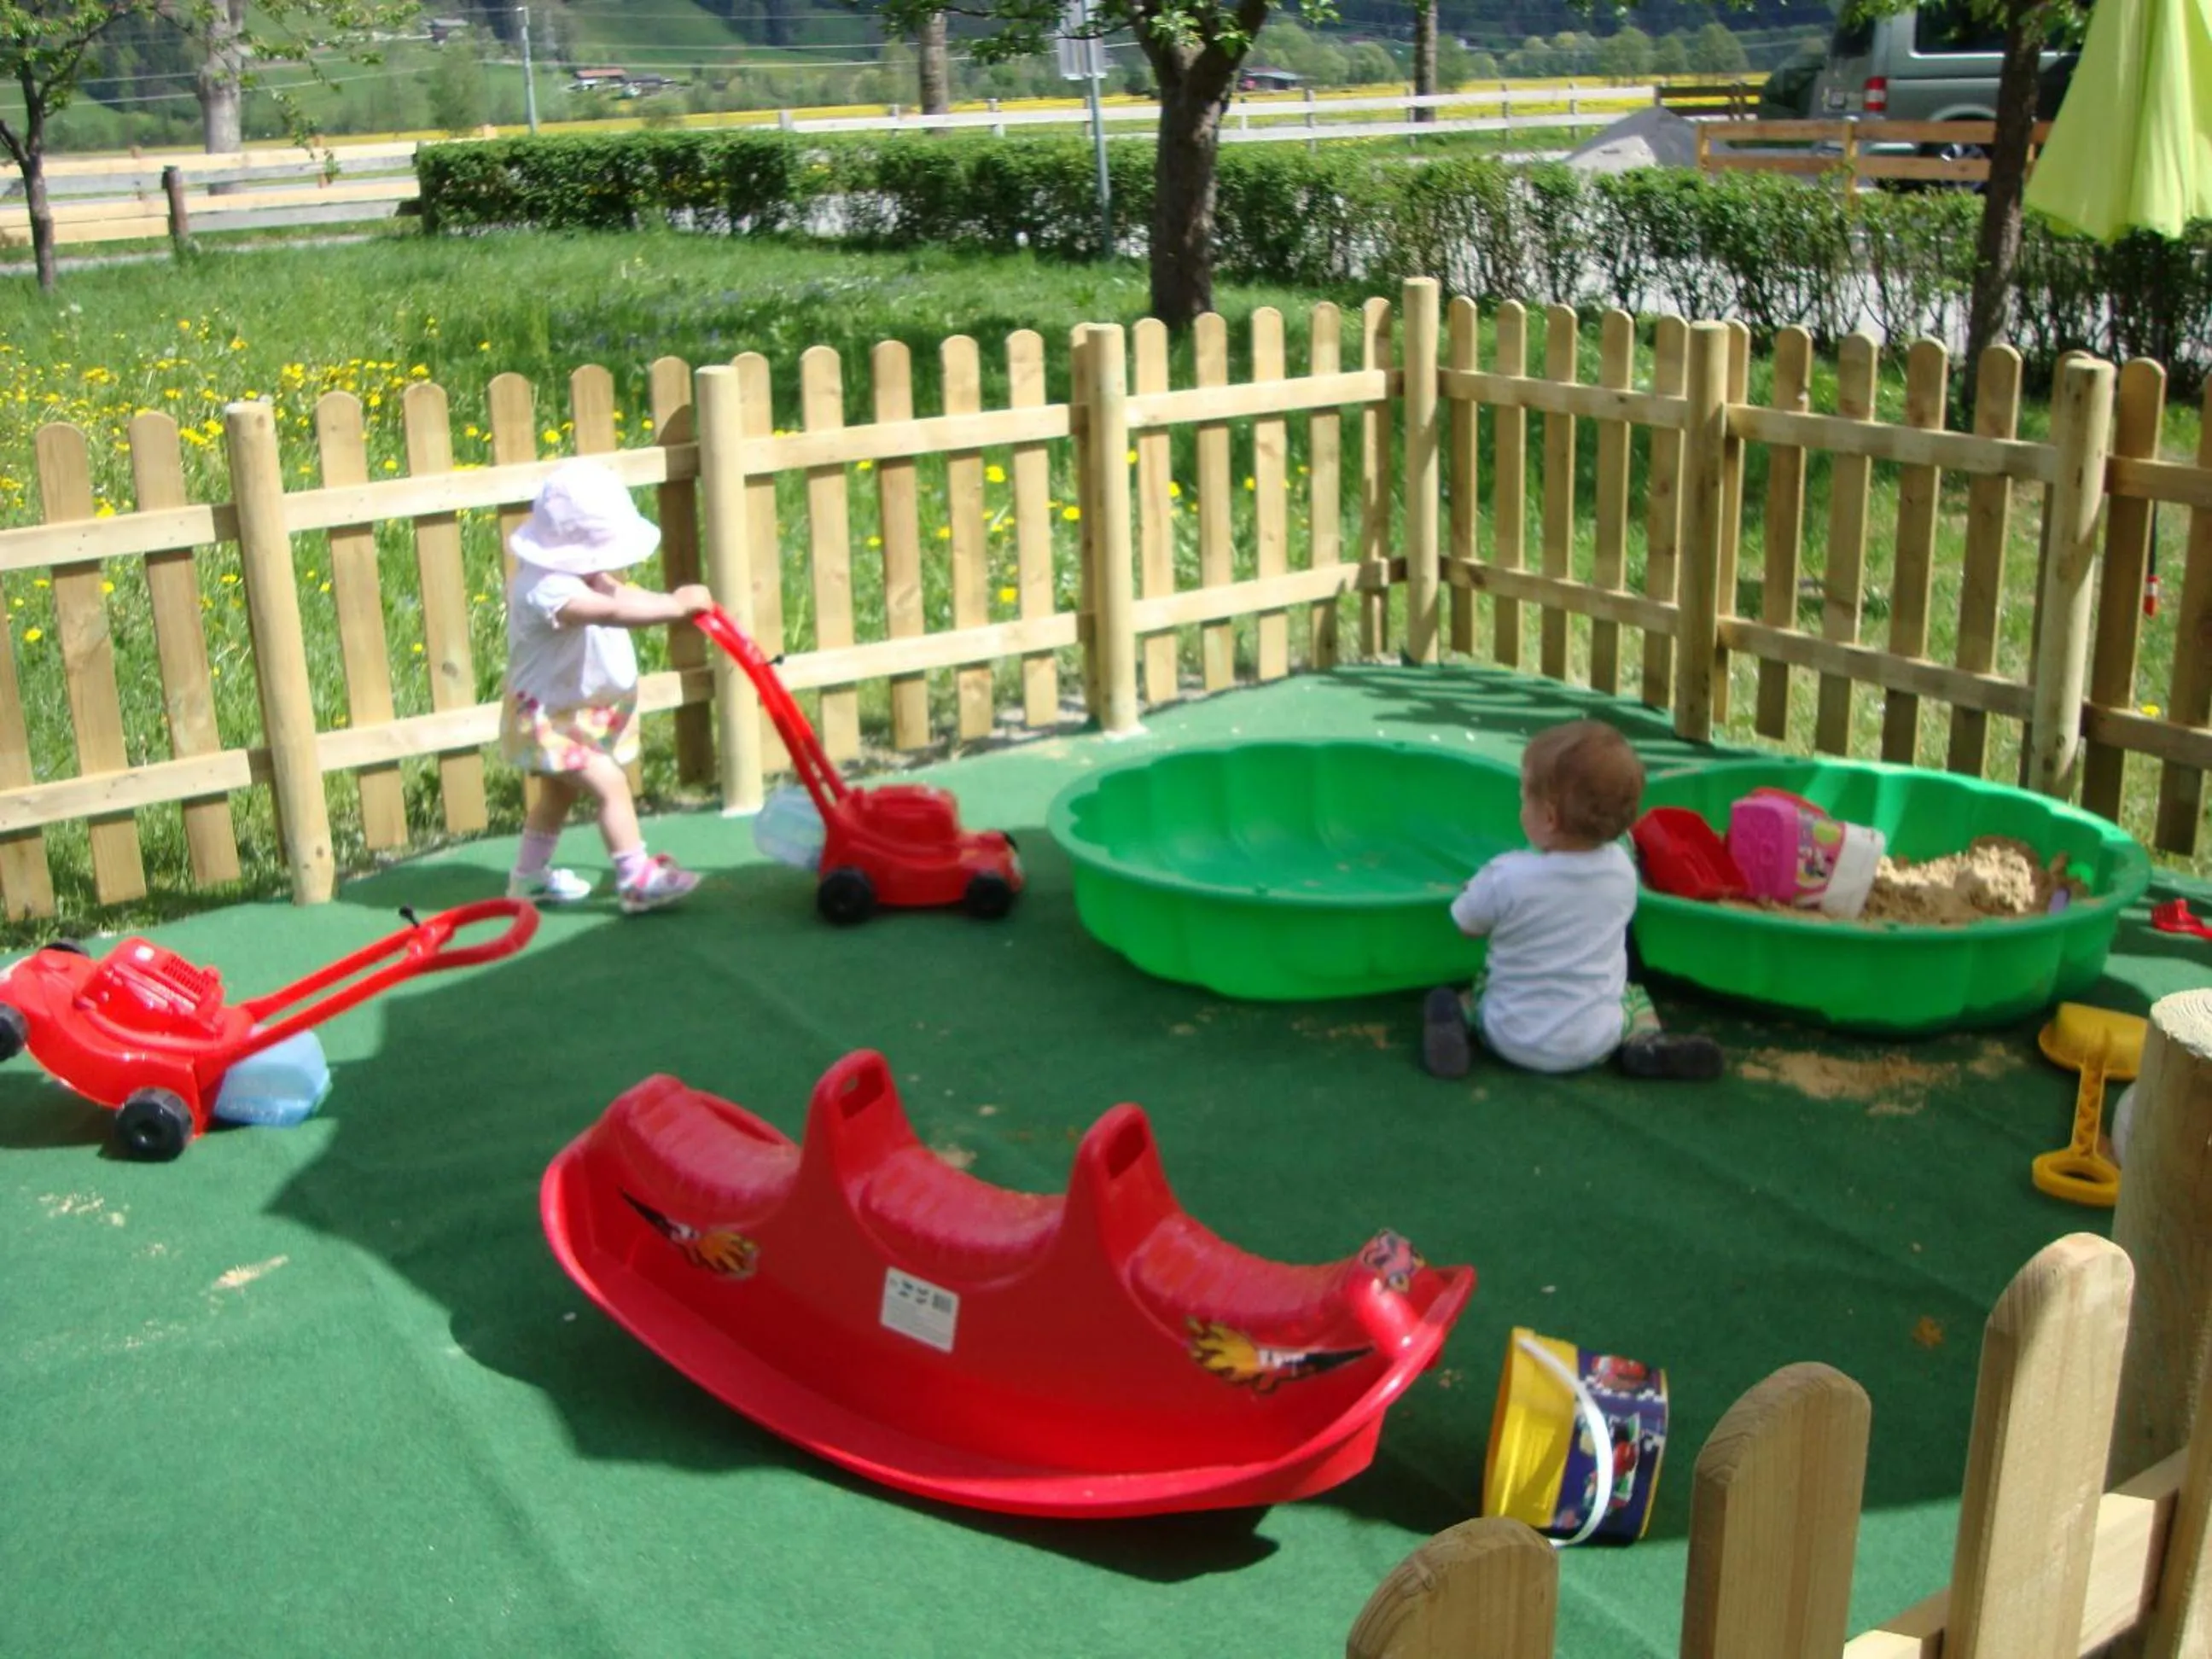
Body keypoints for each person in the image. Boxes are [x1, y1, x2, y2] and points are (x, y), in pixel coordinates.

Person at [1423, 720, 1723, 1082]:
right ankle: (1645, 1042)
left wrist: (1474, 889)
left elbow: (1466, 925)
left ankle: (1451, 1020)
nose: (1520, 807)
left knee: (1472, 993)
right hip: (1595, 1040)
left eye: (1523, 798)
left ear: (1548, 817)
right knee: (1634, 997)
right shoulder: (1623, 873)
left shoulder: (1506, 876)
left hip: (1511, 1038)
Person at [499, 458, 712, 915]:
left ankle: (527, 878)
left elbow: (620, 597)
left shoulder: (582, 574)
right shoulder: (549, 590)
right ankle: (635, 877)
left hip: (572, 712)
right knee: (611, 785)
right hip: (549, 721)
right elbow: (607, 612)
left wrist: (669, 603)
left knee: (558, 793)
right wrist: (674, 607)